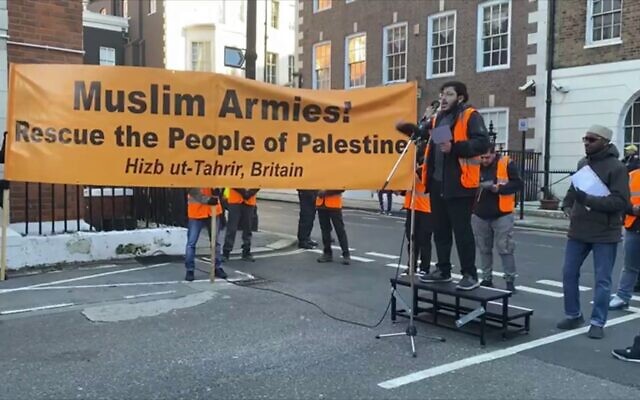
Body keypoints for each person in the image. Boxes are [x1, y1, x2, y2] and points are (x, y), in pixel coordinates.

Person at [403, 81, 489, 290]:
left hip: (460, 184)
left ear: (460, 98)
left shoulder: (469, 116)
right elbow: (435, 142)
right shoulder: (440, 119)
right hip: (438, 183)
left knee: (461, 232)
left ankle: (469, 274)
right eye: (442, 94)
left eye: (449, 94)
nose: (443, 98)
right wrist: (412, 129)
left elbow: (482, 143)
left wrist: (456, 147)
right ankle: (443, 270)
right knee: (440, 230)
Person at [557, 125, 629, 339]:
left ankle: (598, 322)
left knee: (602, 280)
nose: (586, 143)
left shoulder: (616, 167)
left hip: (605, 232)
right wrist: (567, 205)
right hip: (579, 229)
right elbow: (574, 189)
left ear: (605, 142)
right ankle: (573, 314)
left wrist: (588, 200)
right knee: (568, 273)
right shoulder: (583, 163)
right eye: (585, 139)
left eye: (591, 139)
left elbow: (620, 202)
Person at [471, 145, 523, 292]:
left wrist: (498, 189)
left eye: (487, 157)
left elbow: (518, 183)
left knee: (505, 247)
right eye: (482, 157)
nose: (484, 160)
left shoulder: (506, 163)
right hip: (480, 213)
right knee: (483, 248)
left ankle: (509, 281)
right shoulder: (475, 164)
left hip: (502, 213)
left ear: (494, 154)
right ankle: (486, 278)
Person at [609, 167, 640, 310]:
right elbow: (621, 200)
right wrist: (632, 208)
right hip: (633, 226)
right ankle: (622, 296)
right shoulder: (632, 175)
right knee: (630, 266)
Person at [185, 188, 227, 281]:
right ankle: (190, 269)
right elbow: (192, 190)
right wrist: (207, 200)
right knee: (191, 243)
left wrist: (219, 190)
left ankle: (217, 267)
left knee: (215, 242)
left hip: (213, 211)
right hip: (196, 211)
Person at [402, 168, 432, 276]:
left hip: (426, 209)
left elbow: (423, 176)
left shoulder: (423, 168)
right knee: (411, 238)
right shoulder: (411, 170)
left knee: (424, 240)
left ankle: (424, 267)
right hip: (412, 207)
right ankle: (412, 266)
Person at [223, 188, 259, 262]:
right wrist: (244, 192)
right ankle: (226, 252)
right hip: (235, 200)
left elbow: (260, 182)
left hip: (249, 201)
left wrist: (250, 192)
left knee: (248, 228)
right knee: (232, 228)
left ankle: (246, 251)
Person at [315, 190, 351, 265]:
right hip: (321, 204)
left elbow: (341, 188)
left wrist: (326, 193)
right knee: (325, 230)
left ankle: (346, 254)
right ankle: (327, 253)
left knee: (339, 229)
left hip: (334, 204)